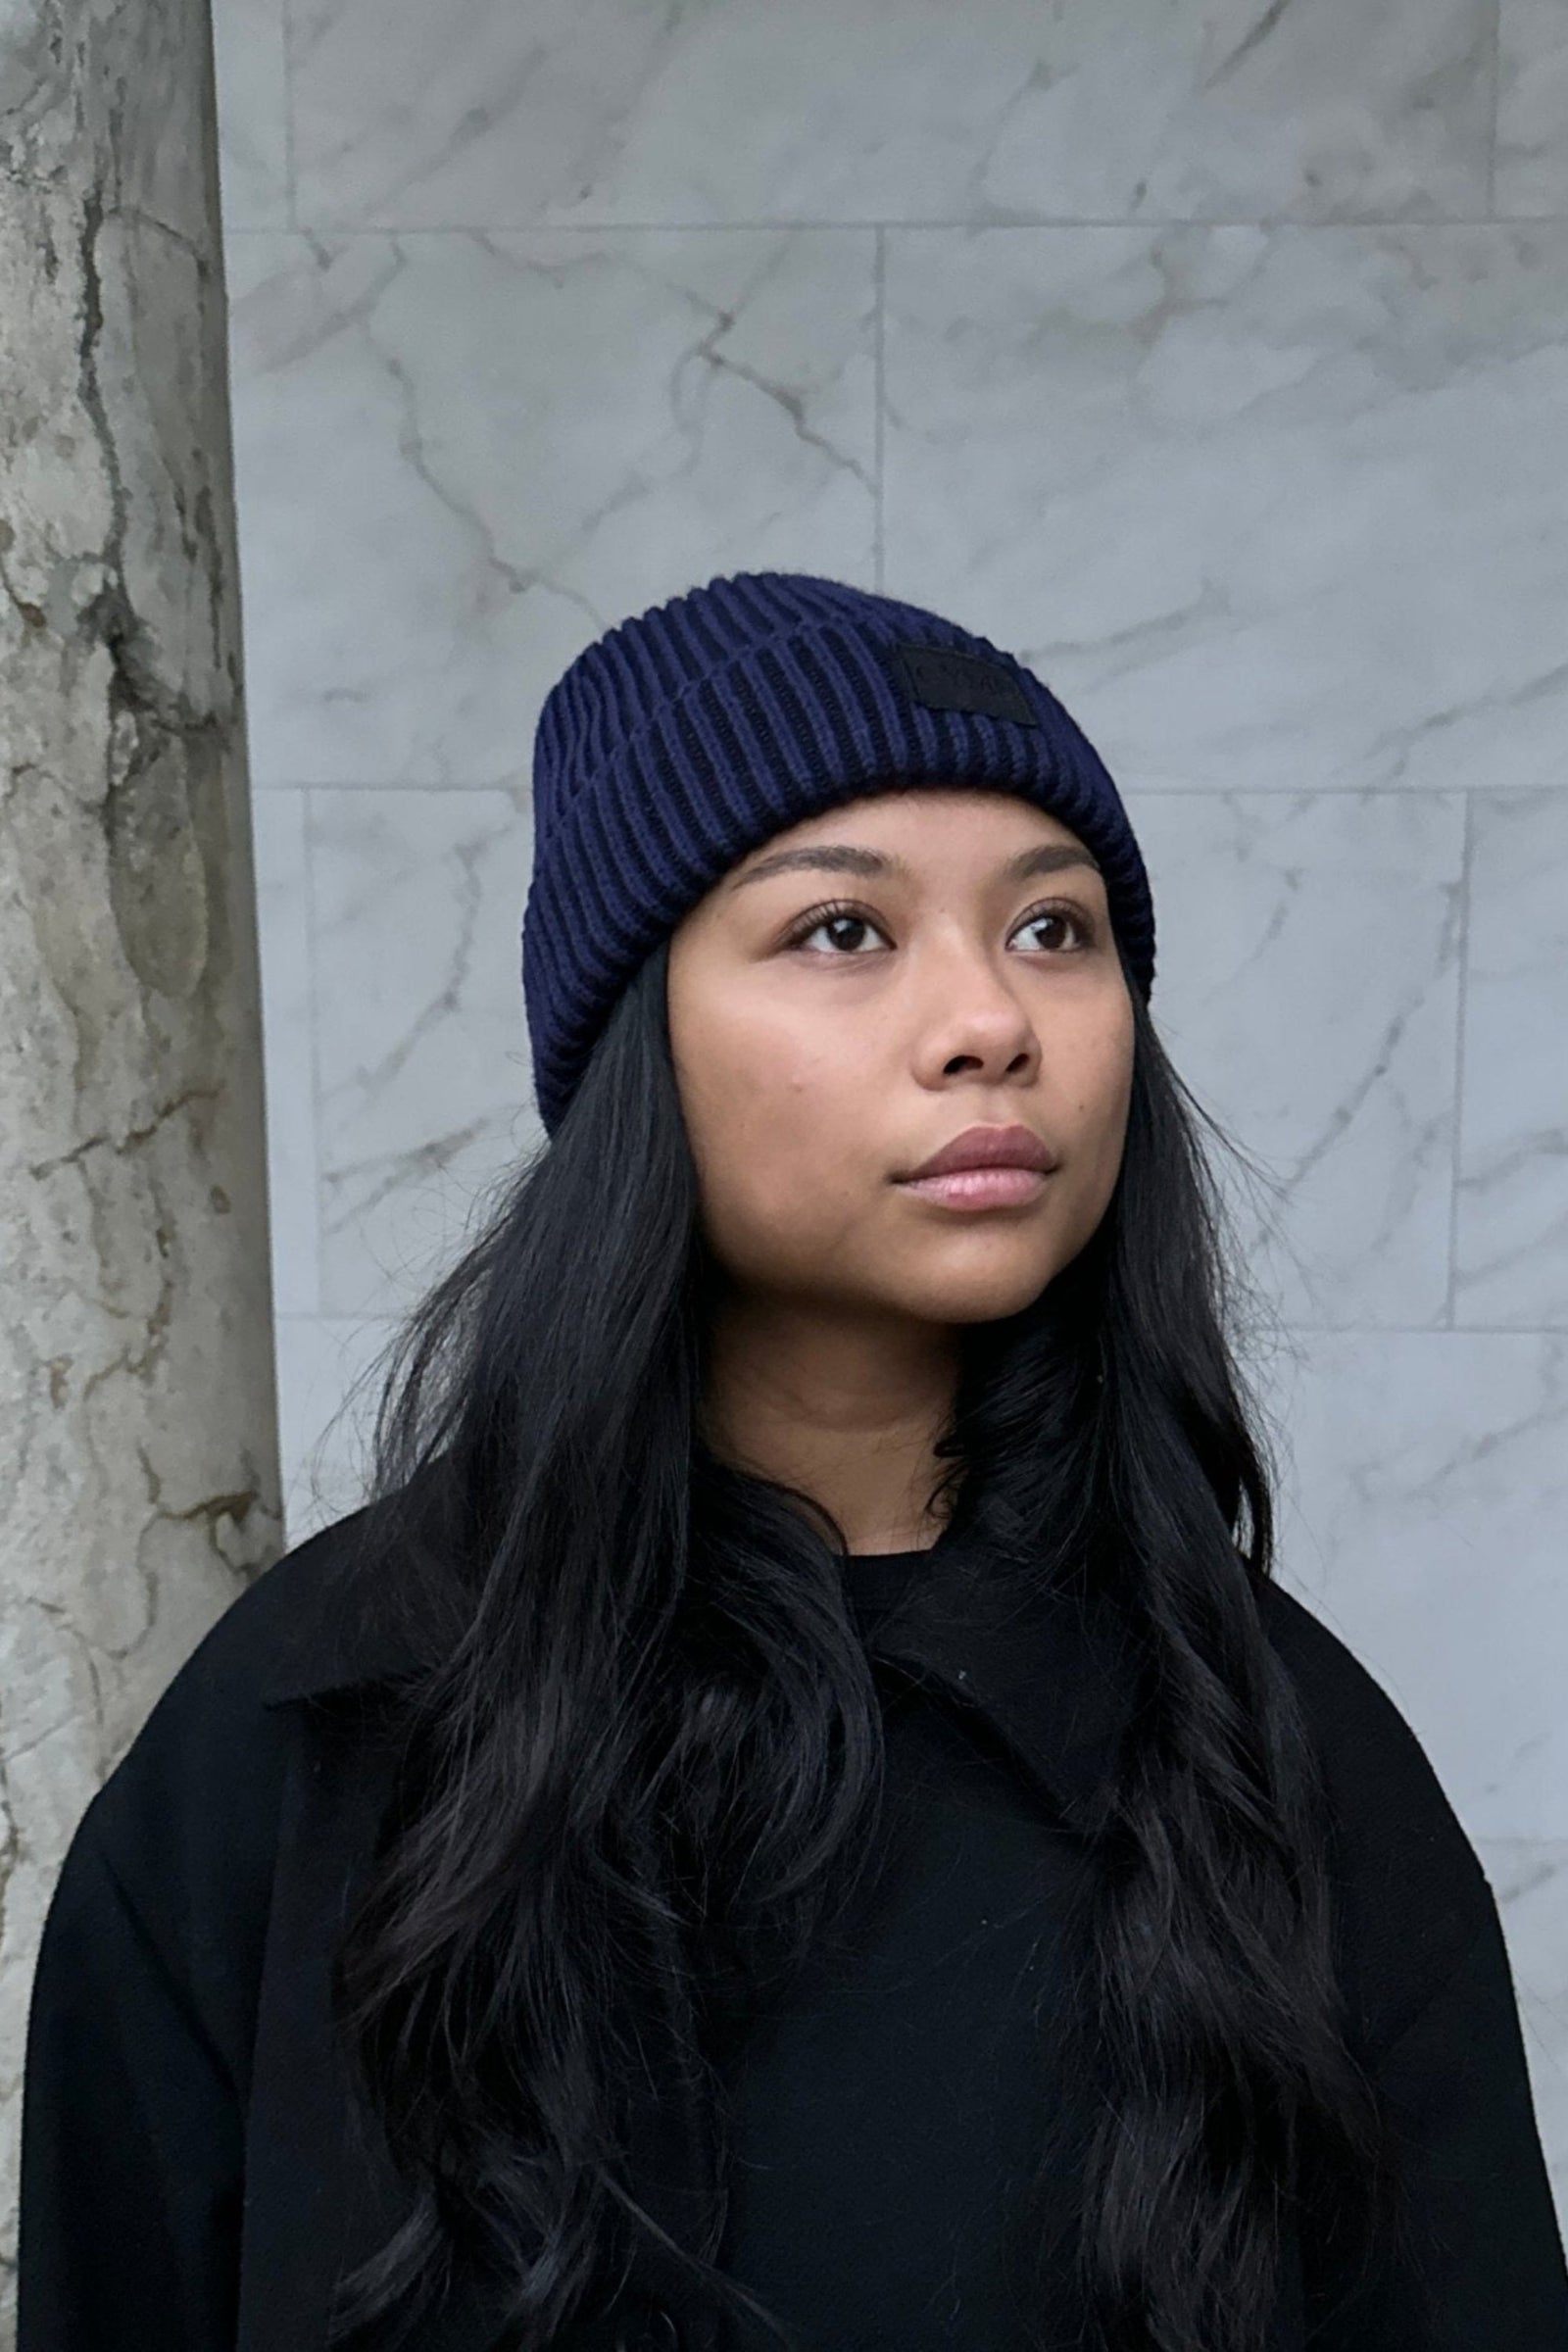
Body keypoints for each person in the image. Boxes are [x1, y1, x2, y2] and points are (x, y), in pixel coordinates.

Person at [17, 571, 1568, 2352]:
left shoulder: (1276, 1752)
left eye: (1056, 929)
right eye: (844, 930)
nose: (995, 1021)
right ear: (636, 1042)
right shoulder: (311, 1730)